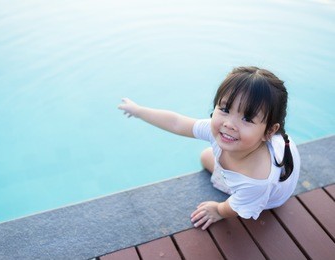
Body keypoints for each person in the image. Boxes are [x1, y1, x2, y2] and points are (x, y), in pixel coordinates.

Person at [118, 66, 300, 230]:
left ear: (268, 131)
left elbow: (236, 206)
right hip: (257, 173)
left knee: (212, 165)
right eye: (225, 109)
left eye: (246, 119)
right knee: (206, 156)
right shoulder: (223, 131)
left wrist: (219, 210)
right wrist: (139, 111)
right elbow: (176, 123)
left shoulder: (257, 180)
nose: (229, 124)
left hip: (267, 198)